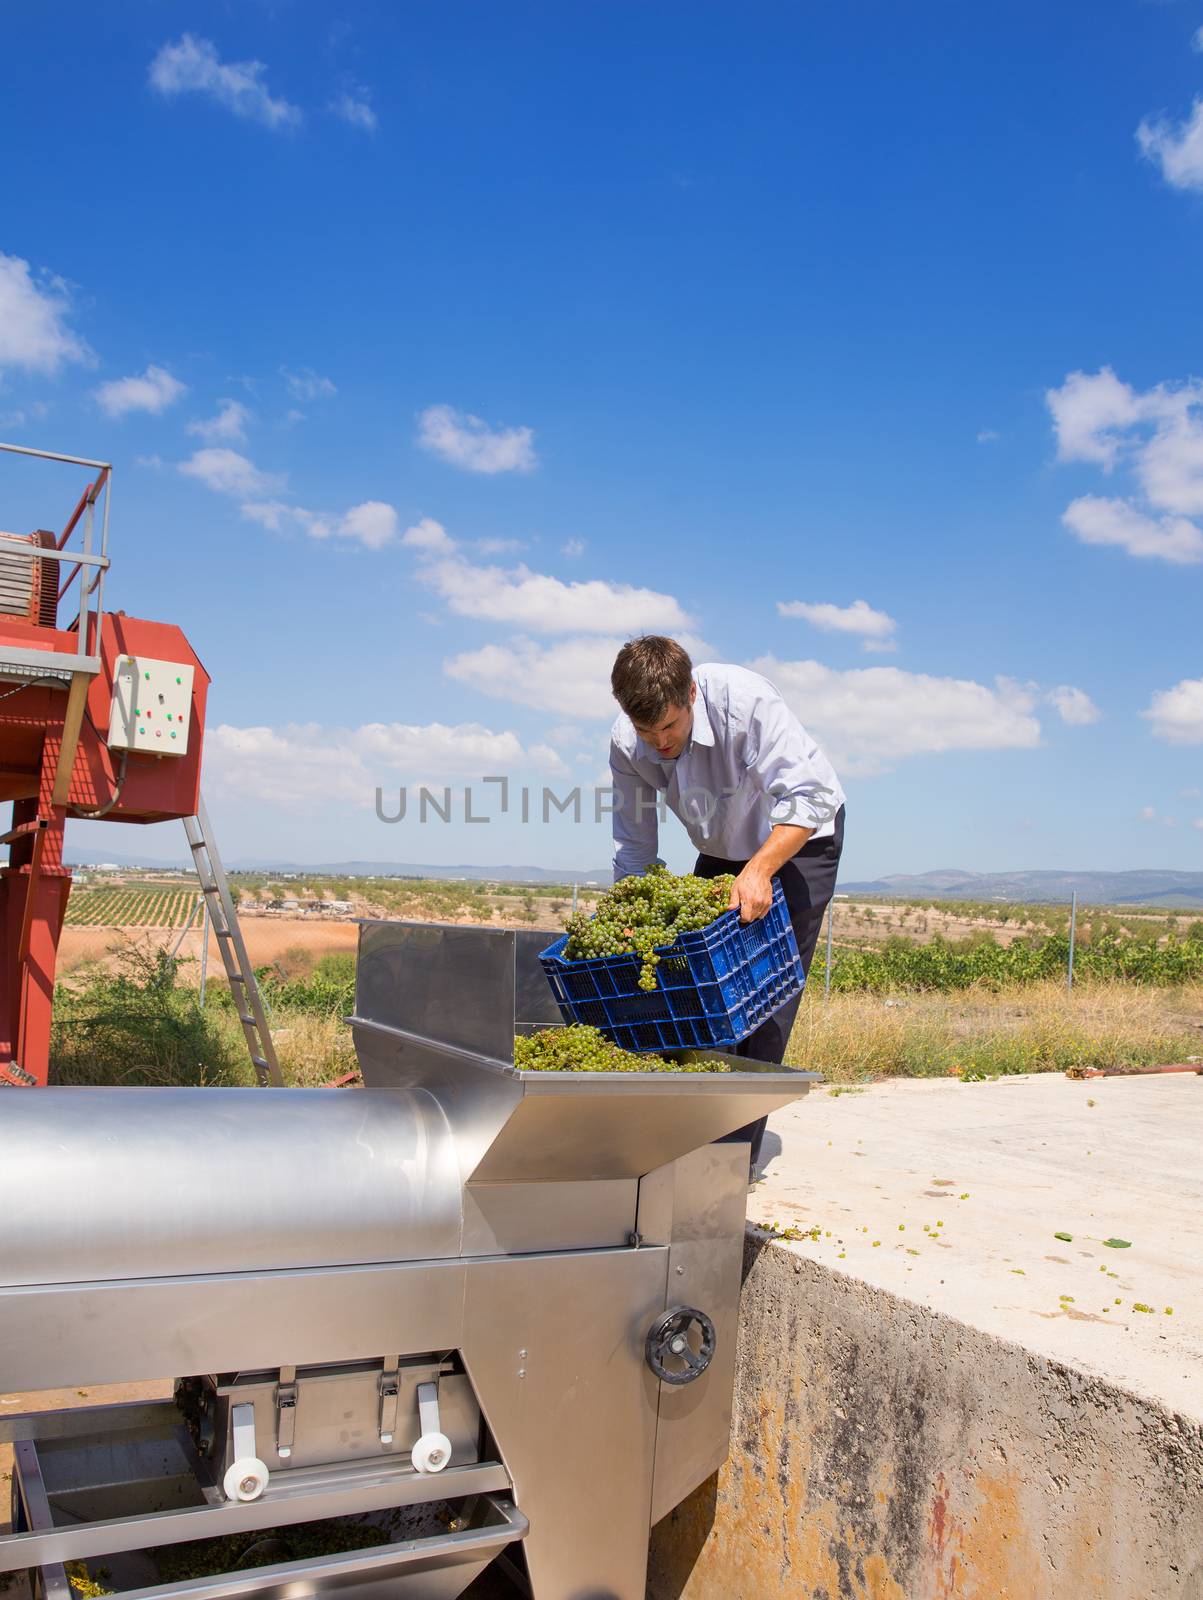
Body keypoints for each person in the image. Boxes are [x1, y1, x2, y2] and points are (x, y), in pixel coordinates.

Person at [608, 635, 845, 1177]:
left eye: (669, 726)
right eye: (648, 732)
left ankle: (724, 1166)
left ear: (691, 693)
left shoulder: (746, 702)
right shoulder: (628, 741)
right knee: (691, 993)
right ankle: (676, 1141)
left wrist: (760, 870)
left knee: (762, 997)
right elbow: (635, 843)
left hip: (798, 839)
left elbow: (811, 797)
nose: (660, 742)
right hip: (718, 848)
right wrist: (634, 916)